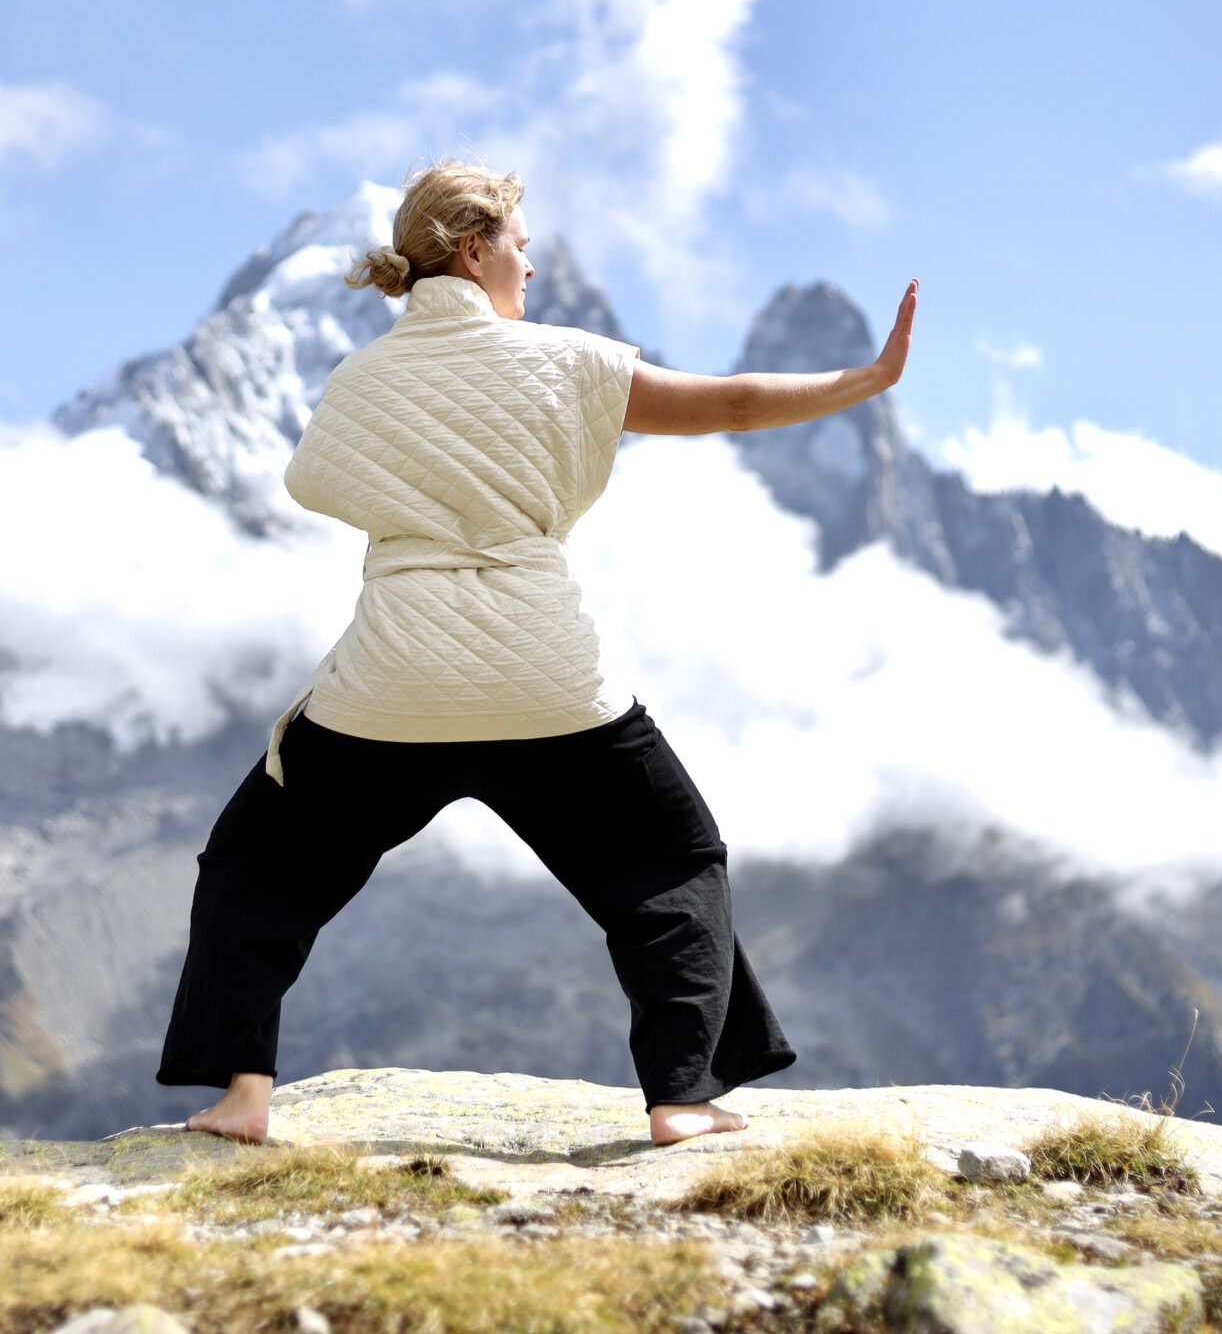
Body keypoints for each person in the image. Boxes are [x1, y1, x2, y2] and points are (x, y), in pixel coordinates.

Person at [156, 159, 917, 1146]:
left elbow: (313, 482)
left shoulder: (361, 378)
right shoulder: (567, 362)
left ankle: (243, 1096)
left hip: (393, 686)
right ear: (474, 249)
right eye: (520, 246)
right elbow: (727, 404)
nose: (531, 269)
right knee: (670, 862)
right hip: (551, 685)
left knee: (257, 862)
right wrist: (866, 379)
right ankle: (682, 1098)